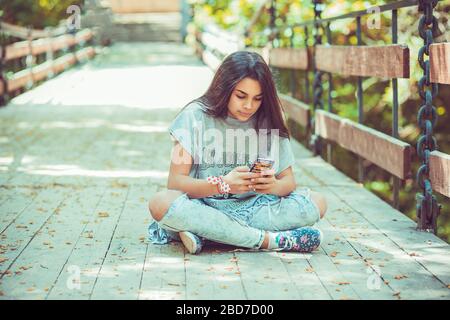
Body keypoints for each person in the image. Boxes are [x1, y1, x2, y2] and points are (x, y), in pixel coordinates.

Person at [148, 51, 327, 254]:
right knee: (160, 202)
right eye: (241, 96)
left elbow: (288, 183)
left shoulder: (269, 119)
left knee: (318, 202)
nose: (249, 106)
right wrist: (222, 185)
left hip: (254, 209)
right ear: (224, 89)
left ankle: (211, 235)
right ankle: (268, 240)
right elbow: (175, 182)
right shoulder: (194, 116)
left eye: (257, 98)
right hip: (205, 206)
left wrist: (273, 186)